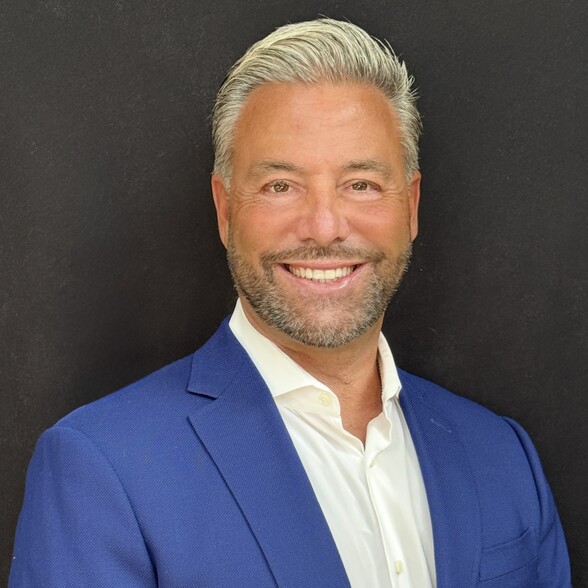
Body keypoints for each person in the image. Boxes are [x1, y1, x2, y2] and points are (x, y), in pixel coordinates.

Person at [10, 18, 570, 588]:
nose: (324, 227)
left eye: (361, 184)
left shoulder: (502, 455)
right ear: (225, 210)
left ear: (411, 205)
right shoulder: (104, 469)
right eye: (281, 185)